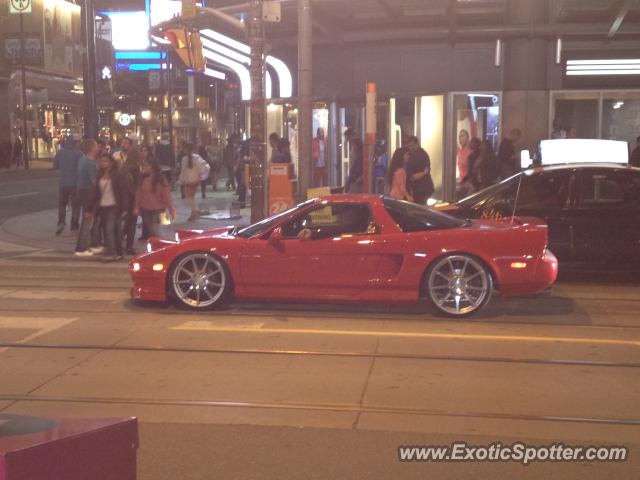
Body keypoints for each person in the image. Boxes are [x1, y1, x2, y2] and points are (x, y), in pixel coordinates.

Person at [134, 157, 176, 240]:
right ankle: (155, 242)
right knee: (149, 227)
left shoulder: (160, 179)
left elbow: (166, 194)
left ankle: (159, 244)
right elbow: (138, 193)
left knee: (153, 228)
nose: (144, 168)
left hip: (158, 208)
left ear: (152, 167)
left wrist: (171, 209)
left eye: (146, 166)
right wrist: (136, 206)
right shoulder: (142, 178)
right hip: (144, 207)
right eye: (143, 166)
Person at [94, 154, 124, 262]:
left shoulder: (116, 175)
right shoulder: (99, 175)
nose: (103, 163)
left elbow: (122, 191)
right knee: (113, 230)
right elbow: (96, 192)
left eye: (105, 161)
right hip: (103, 206)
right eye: (102, 161)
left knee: (109, 228)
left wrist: (124, 208)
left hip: (114, 205)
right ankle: (118, 252)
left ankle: (111, 252)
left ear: (111, 162)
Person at [74, 139, 100, 257]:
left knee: (90, 220)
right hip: (88, 194)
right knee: (88, 220)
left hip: (82, 191)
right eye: (96, 146)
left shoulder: (82, 159)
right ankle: (81, 247)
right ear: (92, 149)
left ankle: (93, 244)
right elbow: (95, 182)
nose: (98, 148)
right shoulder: (90, 163)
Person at [53, 136, 82, 235]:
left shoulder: (60, 153)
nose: (79, 144)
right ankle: (74, 227)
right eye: (78, 142)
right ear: (75, 143)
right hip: (75, 184)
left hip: (63, 183)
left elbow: (56, 168)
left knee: (62, 205)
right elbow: (82, 168)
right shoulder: (79, 154)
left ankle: (61, 223)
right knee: (76, 207)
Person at [178, 143, 209, 221]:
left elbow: (183, 171)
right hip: (196, 179)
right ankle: (193, 212)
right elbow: (205, 166)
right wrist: (202, 176)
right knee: (191, 197)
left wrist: (181, 180)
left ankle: (194, 212)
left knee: (189, 197)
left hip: (188, 180)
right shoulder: (197, 158)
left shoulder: (184, 159)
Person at [120, 148, 142, 255]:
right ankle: (129, 247)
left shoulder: (124, 167)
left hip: (124, 199)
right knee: (131, 224)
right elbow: (137, 185)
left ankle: (118, 242)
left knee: (126, 223)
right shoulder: (135, 168)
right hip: (132, 199)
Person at [405, 136, 434, 205]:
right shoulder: (424, 154)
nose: (410, 148)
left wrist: (423, 173)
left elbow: (412, 177)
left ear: (417, 144)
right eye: (409, 146)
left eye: (412, 145)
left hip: (420, 189)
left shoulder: (415, 156)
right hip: (426, 187)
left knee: (419, 209)